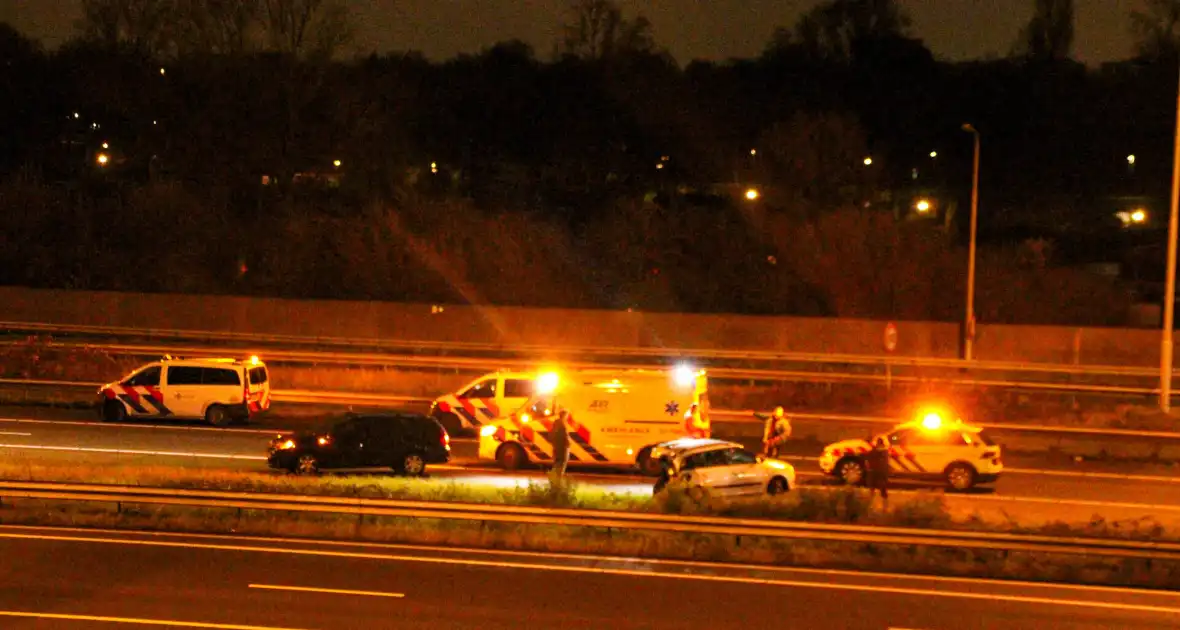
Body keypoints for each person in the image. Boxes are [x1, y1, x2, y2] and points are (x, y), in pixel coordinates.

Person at [866, 436, 891, 503]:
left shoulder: (873, 451)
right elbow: (886, 462)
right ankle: (884, 501)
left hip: (875, 470)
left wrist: (869, 468)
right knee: (882, 487)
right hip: (882, 471)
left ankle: (870, 501)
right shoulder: (885, 452)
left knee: (872, 487)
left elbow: (868, 459)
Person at [550, 409, 570, 477]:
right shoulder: (562, 423)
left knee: (557, 462)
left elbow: (553, 435)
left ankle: (555, 477)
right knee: (562, 462)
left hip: (557, 446)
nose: (567, 416)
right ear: (564, 415)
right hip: (562, 446)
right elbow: (564, 435)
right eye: (567, 415)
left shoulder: (556, 422)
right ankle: (558, 477)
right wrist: (567, 443)